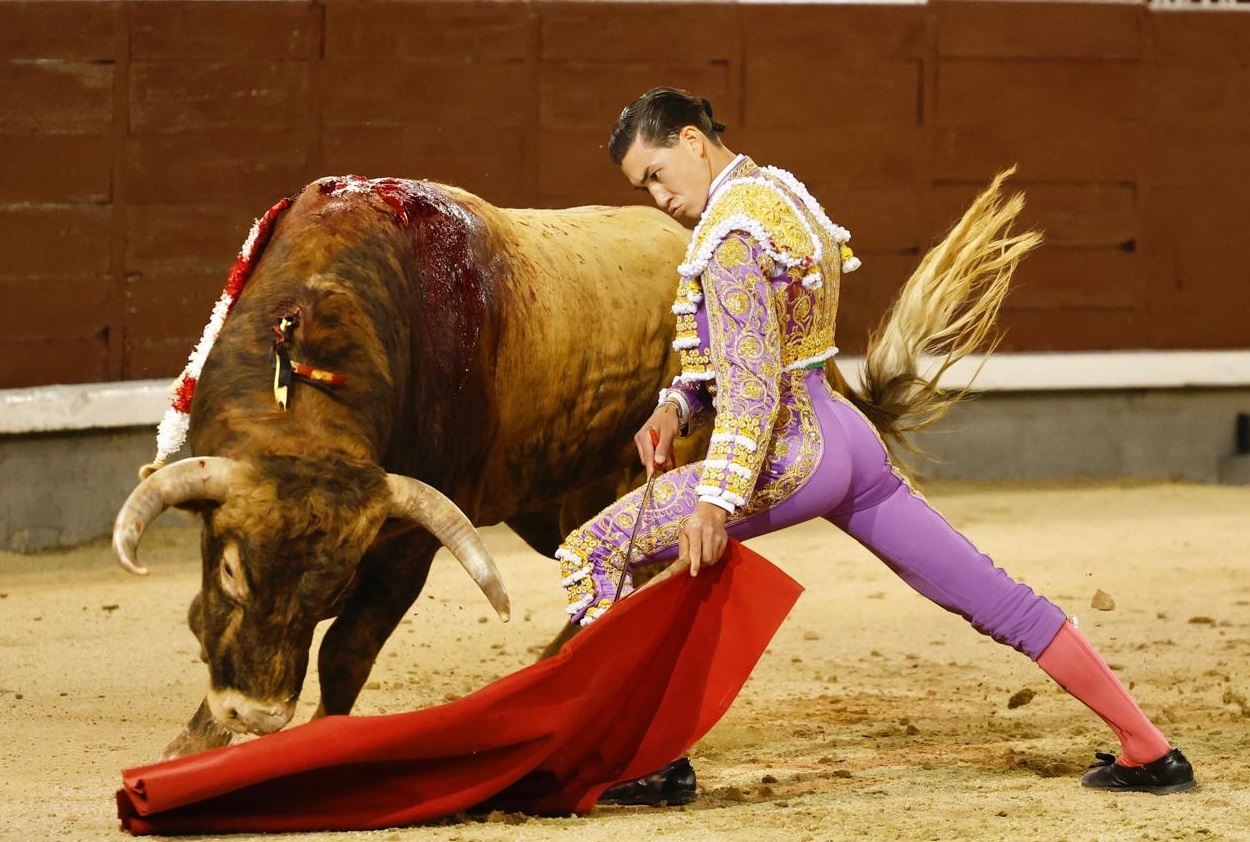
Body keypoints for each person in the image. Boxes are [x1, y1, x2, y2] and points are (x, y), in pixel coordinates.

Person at [556, 87, 1195, 805]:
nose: (658, 198)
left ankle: (649, 761)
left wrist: (713, 503)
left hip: (789, 454)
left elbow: (753, 391)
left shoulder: (728, 238)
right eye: (643, 187)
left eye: (656, 174)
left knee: (594, 552)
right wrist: (675, 406)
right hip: (848, 442)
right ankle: (1149, 749)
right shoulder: (778, 194)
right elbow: (759, 353)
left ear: (692, 142)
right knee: (992, 594)